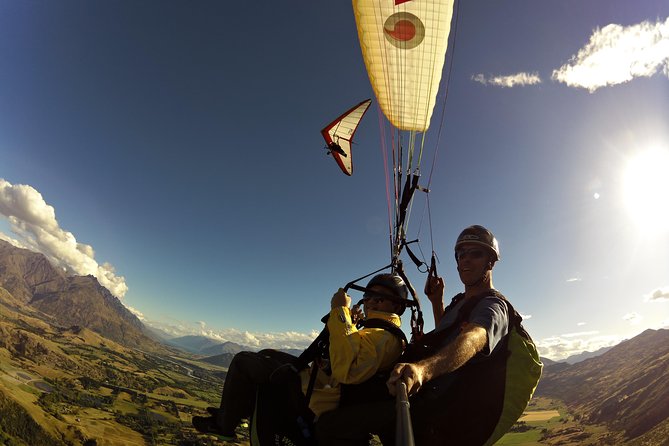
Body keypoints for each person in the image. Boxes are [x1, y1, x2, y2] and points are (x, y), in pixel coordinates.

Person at [316, 225, 512, 445]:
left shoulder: (494, 305)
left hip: (438, 405)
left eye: (475, 253)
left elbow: (474, 339)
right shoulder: (459, 303)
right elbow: (445, 337)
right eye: (461, 254)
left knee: (330, 425)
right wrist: (437, 302)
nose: (465, 259)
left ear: (491, 261)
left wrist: (423, 370)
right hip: (422, 394)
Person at [191, 273, 409, 442]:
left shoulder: (384, 337)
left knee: (244, 361)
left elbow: (347, 369)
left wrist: (341, 312)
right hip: (324, 383)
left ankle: (224, 426)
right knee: (267, 355)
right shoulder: (376, 331)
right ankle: (234, 412)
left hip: (325, 393)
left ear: (397, 307)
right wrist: (349, 323)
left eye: (379, 298)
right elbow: (344, 352)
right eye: (368, 297)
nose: (370, 302)